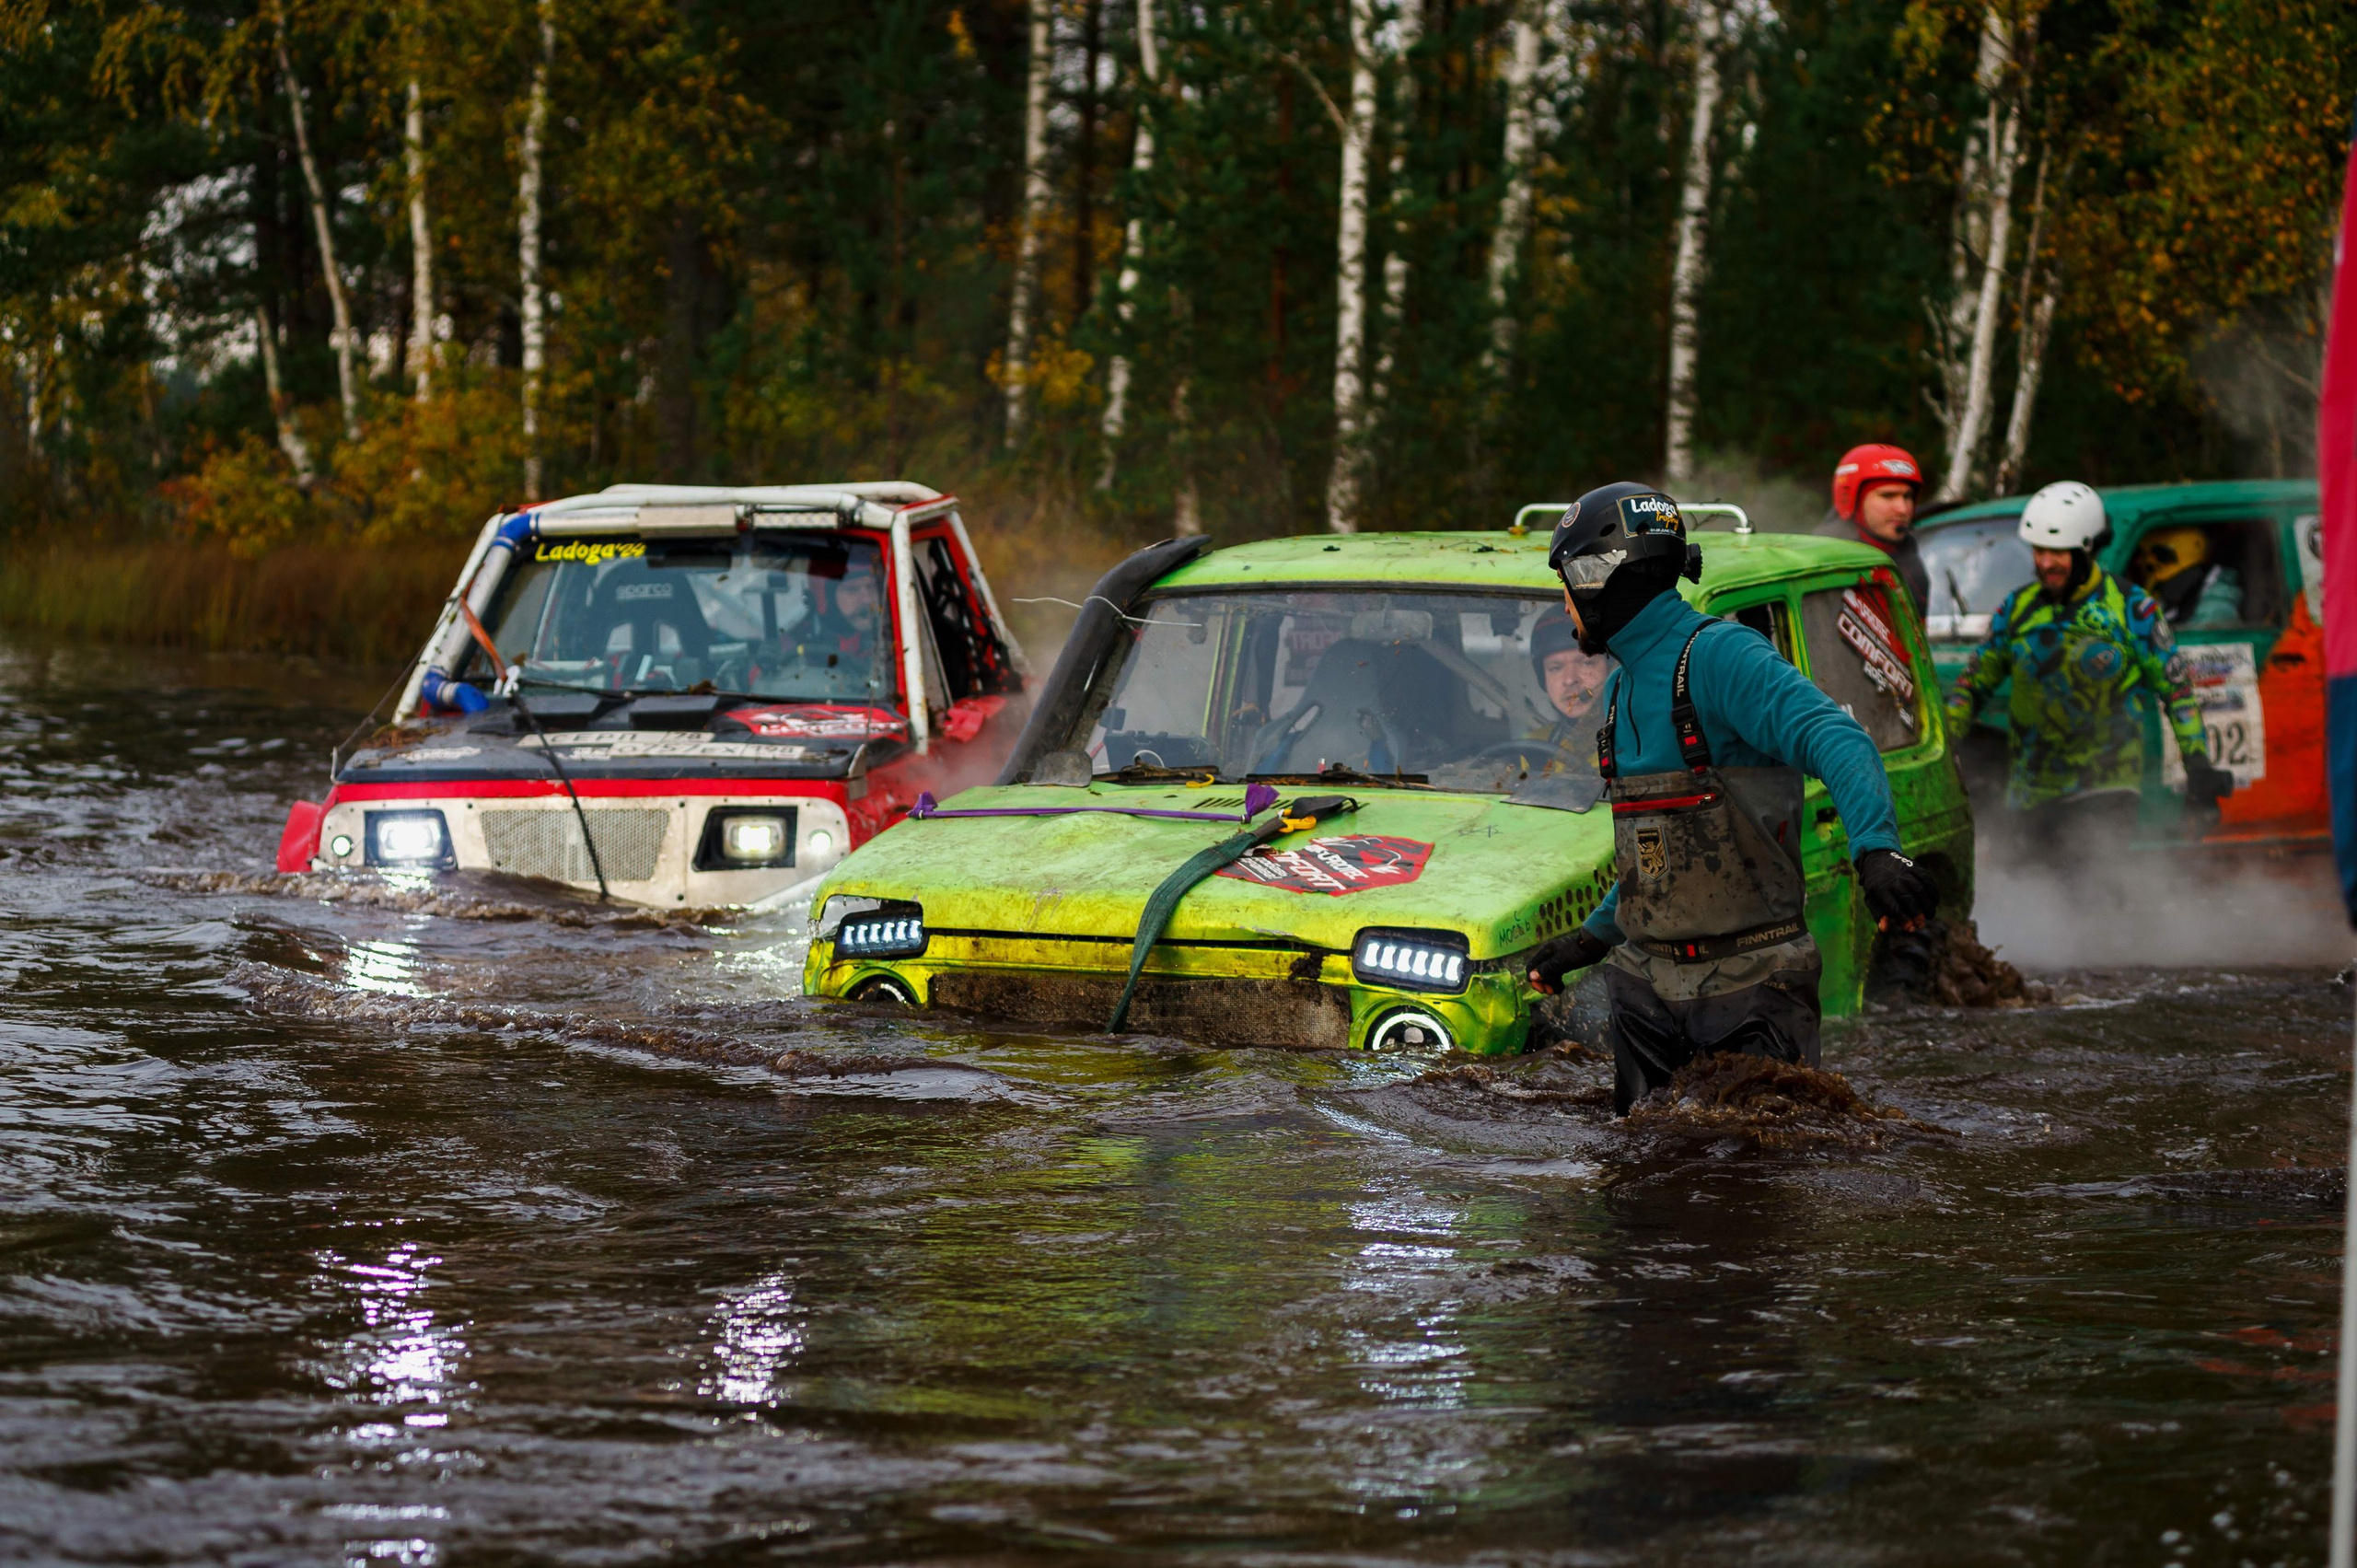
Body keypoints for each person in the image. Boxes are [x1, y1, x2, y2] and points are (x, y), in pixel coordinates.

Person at [1523, 482, 1940, 1114]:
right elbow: (1656, 850)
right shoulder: (1615, 694)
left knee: (1756, 1188)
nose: (1565, 604)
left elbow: (1839, 738)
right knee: (1642, 1190)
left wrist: (1877, 849)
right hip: (1645, 993)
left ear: (1600, 575)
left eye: (1566, 583)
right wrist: (1592, 938)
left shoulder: (1720, 656)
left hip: (1752, 990)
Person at [1944, 482, 2233, 865]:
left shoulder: (2132, 609)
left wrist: (2198, 770)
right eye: (2039, 550)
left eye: (2058, 552)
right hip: (2030, 797)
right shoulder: (2018, 609)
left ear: (2088, 550)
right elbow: (1971, 688)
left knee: (2087, 899)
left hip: (2106, 791)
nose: (2045, 563)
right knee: (2034, 906)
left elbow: (2177, 694)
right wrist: (1943, 751)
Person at [1818, 443, 1931, 613]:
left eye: (1908, 496)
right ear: (1851, 498)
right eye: (1888, 496)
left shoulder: (1909, 555)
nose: (1902, 508)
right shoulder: (1825, 562)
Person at [2131, 525, 2243, 631]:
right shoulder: (2165, 597)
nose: (2146, 562)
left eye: (2160, 555)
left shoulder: (2216, 607)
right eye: (2144, 555)